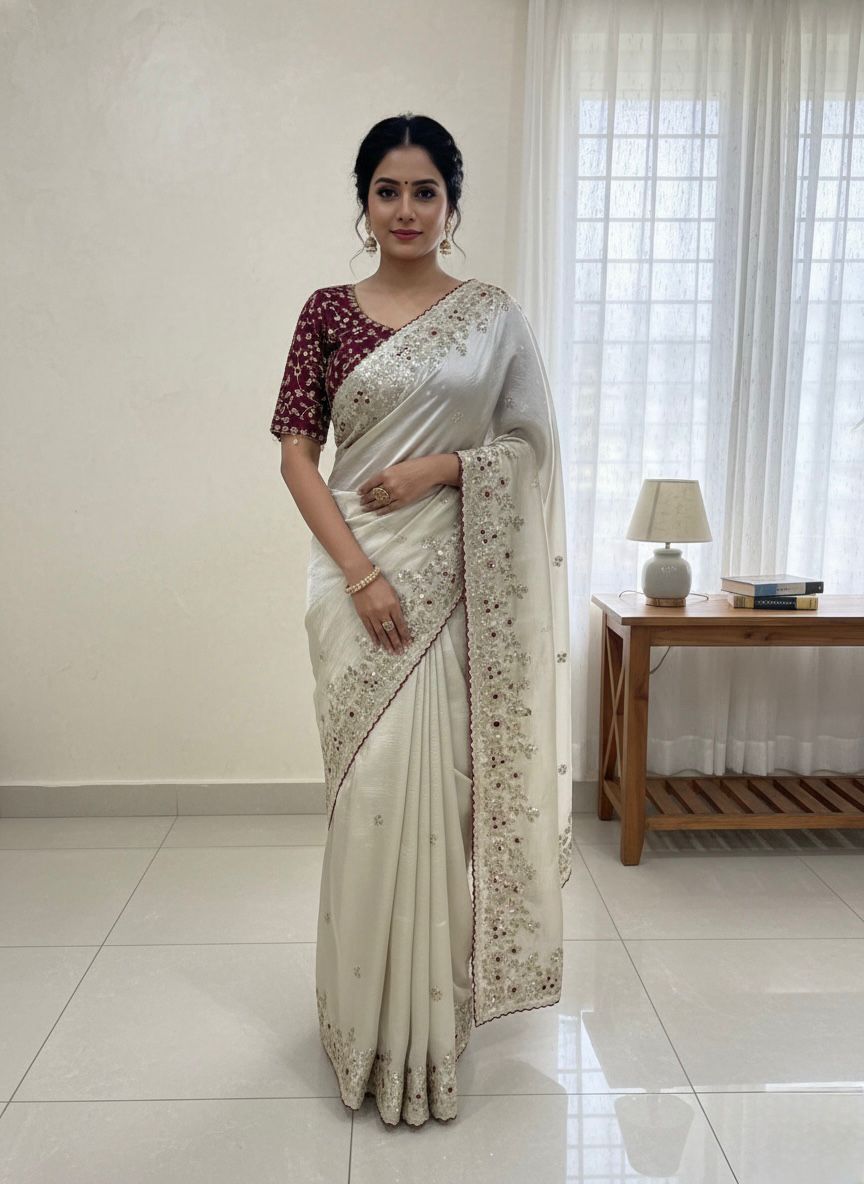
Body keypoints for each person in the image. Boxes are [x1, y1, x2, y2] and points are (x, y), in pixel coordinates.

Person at [270, 113, 572, 1128]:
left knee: (437, 797)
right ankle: (362, 1029)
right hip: (357, 580)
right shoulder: (326, 312)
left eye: (425, 191)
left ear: (452, 202)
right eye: (388, 190)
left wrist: (444, 466)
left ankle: (427, 1036)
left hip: (453, 583)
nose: (406, 209)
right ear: (365, 201)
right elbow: (297, 456)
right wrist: (360, 574)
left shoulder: (491, 317)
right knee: (371, 798)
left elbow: (529, 448)